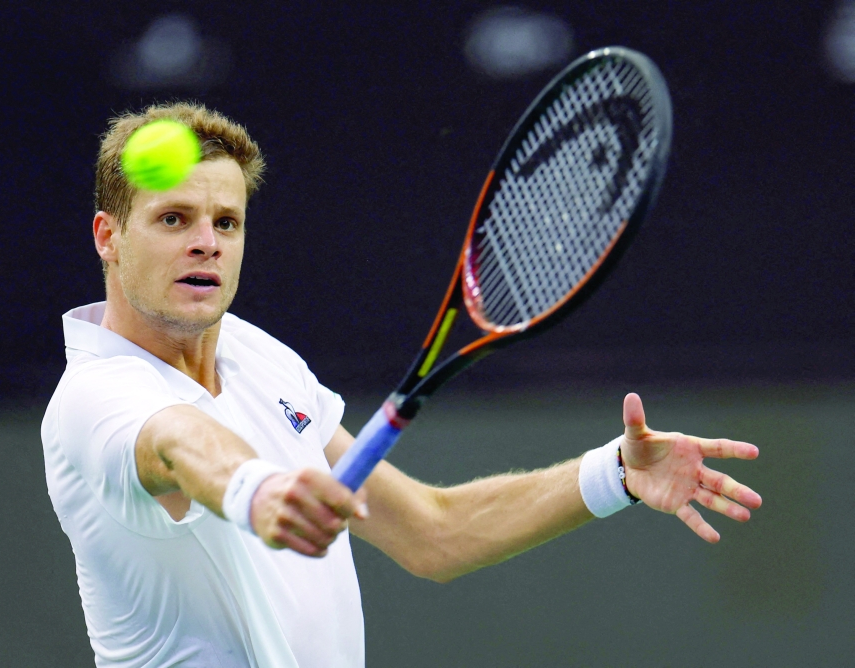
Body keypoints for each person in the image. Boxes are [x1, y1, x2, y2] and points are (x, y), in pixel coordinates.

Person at [41, 101, 763, 668]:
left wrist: (616, 475)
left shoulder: (261, 359)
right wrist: (259, 493)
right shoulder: (94, 399)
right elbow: (179, 445)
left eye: (226, 222)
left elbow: (430, 532)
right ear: (108, 236)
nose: (207, 241)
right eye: (174, 219)